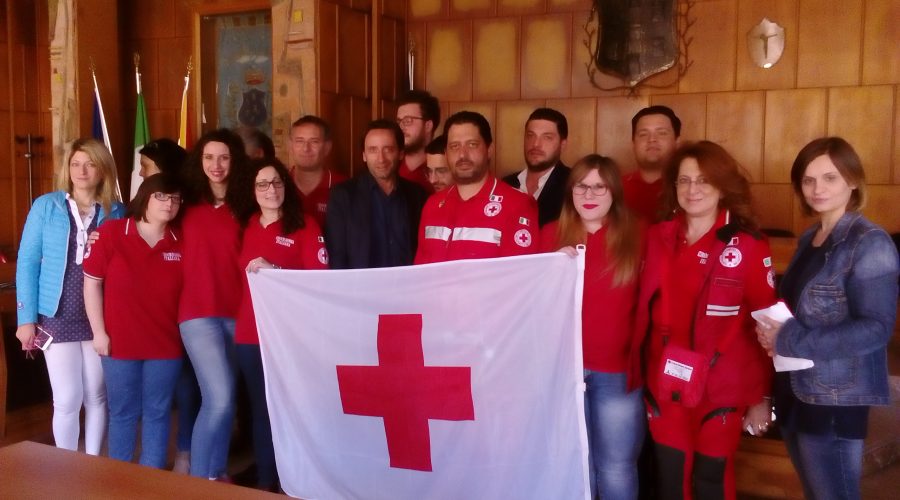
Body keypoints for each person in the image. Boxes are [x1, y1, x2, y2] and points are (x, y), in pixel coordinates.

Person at [756, 137, 898, 500]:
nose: (817, 188)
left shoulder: (870, 243)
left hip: (835, 396)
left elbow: (876, 329)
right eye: (808, 180)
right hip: (795, 388)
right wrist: (771, 331)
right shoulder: (811, 238)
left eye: (830, 178)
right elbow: (799, 310)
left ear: (853, 181)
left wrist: (787, 337)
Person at [634, 141, 776, 500]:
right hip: (664, 381)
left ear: (722, 185)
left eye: (703, 180)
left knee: (711, 479)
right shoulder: (657, 236)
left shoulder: (747, 245)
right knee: (669, 477)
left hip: (722, 387)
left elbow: (769, 326)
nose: (692, 190)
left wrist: (762, 396)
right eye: (684, 181)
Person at [540, 155, 644, 499]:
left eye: (600, 186)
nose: (590, 193)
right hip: (564, 372)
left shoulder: (639, 236)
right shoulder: (549, 235)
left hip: (616, 372)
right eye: (582, 185)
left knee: (615, 467)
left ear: (614, 191)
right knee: (574, 463)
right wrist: (554, 270)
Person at [15, 138, 124, 455]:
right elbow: (27, 263)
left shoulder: (117, 211)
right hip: (56, 314)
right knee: (66, 398)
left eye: (90, 164)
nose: (82, 170)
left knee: (97, 394)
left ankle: (93, 463)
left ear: (102, 169)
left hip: (99, 317)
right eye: (76, 164)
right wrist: (26, 319)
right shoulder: (46, 206)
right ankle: (66, 467)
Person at [234, 158, 328, 490]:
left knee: (295, 411)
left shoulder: (305, 226)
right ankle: (266, 481)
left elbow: (321, 281)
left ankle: (299, 481)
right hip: (249, 333)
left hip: (290, 336)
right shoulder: (246, 225)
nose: (271, 190)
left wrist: (278, 270)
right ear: (252, 189)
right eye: (262, 184)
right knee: (261, 411)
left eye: (277, 183)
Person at [82, 174, 184, 468]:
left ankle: (151, 480)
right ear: (145, 199)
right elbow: (91, 285)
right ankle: (119, 479)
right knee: (123, 412)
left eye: (175, 198)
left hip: (165, 344)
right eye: (161, 196)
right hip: (119, 341)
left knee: (158, 412)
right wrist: (98, 333)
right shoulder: (112, 232)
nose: (169, 203)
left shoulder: (181, 240)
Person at [179, 128, 249, 480]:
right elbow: (144, 219)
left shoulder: (248, 203)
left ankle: (216, 474)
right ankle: (202, 479)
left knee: (227, 400)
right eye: (209, 157)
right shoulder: (184, 202)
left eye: (223, 157)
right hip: (197, 314)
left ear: (234, 161)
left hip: (239, 313)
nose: (216, 165)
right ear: (199, 161)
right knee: (219, 398)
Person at [415, 111, 539, 264]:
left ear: (489, 150)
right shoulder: (433, 205)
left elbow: (519, 278)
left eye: (472, 145)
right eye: (455, 146)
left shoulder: (517, 205)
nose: (462, 155)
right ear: (446, 154)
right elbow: (420, 273)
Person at [326, 119, 429, 269]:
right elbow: (337, 255)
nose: (381, 159)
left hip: (407, 288)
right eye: (373, 150)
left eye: (388, 149)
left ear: (400, 153)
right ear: (364, 155)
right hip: (362, 289)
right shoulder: (343, 195)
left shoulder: (417, 195)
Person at [503, 107, 570, 227]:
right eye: (530, 135)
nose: (535, 144)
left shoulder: (575, 185)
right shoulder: (505, 184)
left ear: (562, 144)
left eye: (547, 137)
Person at [624, 105, 681, 222]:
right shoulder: (614, 188)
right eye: (643, 134)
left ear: (677, 142)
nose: (652, 139)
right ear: (633, 143)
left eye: (662, 133)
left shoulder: (690, 187)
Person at [288, 115, 347, 230]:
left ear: (327, 147)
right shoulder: (277, 185)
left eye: (314, 142)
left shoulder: (345, 187)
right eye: (299, 141)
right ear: (290, 146)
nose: (306, 148)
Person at [396, 89, 441, 192]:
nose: (401, 127)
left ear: (428, 126)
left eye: (408, 121)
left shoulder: (444, 169)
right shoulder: (390, 164)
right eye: (399, 121)